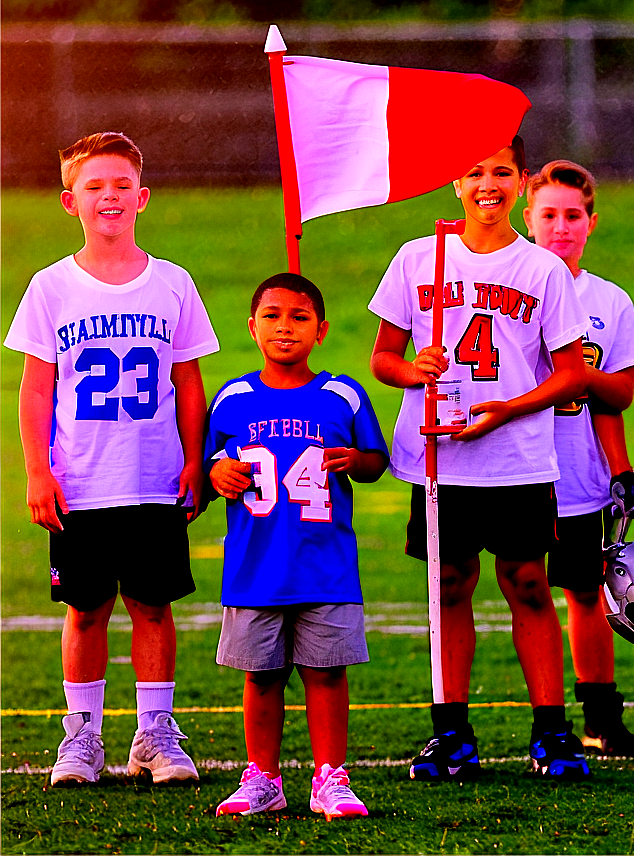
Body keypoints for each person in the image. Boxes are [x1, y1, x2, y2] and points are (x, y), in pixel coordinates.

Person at [368, 137, 592, 781]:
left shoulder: (542, 269)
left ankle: (553, 731)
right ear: (455, 184)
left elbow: (573, 374)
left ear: (520, 183)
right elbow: (383, 359)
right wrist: (414, 371)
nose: (488, 184)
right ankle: (452, 731)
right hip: (439, 460)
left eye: (501, 171)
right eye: (474, 172)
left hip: (517, 457)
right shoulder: (417, 258)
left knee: (527, 583)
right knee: (450, 586)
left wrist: (511, 407)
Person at [4, 131, 219, 785]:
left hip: (153, 476)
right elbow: (37, 387)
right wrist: (39, 470)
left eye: (121, 185)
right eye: (94, 186)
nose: (109, 196)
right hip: (81, 480)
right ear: (70, 201)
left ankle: (154, 734)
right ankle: (84, 739)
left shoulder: (173, 283)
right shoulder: (50, 287)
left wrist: (193, 459)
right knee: (87, 609)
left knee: (154, 606)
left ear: (142, 197)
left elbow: (188, 383)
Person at [205, 273, 389, 818]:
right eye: (274, 316)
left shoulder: (343, 395)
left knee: (327, 671)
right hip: (255, 566)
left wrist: (357, 462)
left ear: (322, 330)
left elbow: (376, 461)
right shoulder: (233, 399)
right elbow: (210, 465)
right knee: (261, 676)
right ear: (252, 327)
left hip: (325, 566)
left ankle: (330, 777)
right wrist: (218, 473)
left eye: (300, 317)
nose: (286, 327)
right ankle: (262, 777)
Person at [523, 159, 634, 756]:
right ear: (528, 218)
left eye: (573, 215)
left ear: (591, 223)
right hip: (513, 469)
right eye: (548, 214)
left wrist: (620, 466)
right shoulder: (506, 289)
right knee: (518, 590)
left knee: (584, 591)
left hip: (579, 472)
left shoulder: (608, 300)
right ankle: (480, 722)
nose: (560, 226)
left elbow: (619, 395)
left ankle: (602, 718)